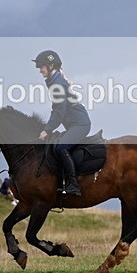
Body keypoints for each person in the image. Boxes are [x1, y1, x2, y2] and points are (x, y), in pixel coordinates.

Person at [33, 50, 91, 197]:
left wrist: (47, 130)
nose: (40, 70)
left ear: (51, 65)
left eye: (42, 67)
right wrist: (47, 127)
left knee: (60, 148)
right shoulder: (55, 83)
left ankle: (73, 185)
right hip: (73, 125)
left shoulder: (57, 84)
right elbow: (56, 110)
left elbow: (59, 112)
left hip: (80, 125)